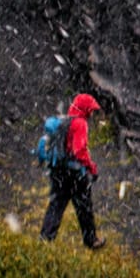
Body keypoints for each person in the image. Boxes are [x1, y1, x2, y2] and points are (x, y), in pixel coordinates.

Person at [40, 92, 106, 248]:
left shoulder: (64, 121)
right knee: (84, 207)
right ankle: (91, 241)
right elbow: (79, 151)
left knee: (56, 206)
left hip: (58, 171)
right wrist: (92, 168)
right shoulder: (80, 123)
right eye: (90, 109)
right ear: (85, 109)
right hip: (74, 174)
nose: (92, 113)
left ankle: (45, 239)